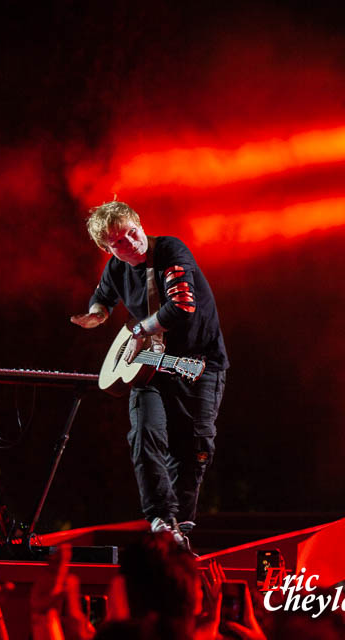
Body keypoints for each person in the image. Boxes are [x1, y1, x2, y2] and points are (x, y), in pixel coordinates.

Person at [71, 201, 229, 545]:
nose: (131, 242)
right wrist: (97, 314)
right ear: (107, 249)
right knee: (144, 435)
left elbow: (182, 306)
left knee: (193, 448)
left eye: (133, 232)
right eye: (119, 242)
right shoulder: (116, 268)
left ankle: (181, 528)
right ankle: (161, 519)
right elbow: (102, 297)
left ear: (140, 224)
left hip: (197, 364)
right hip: (150, 367)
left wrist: (141, 329)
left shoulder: (170, 250)